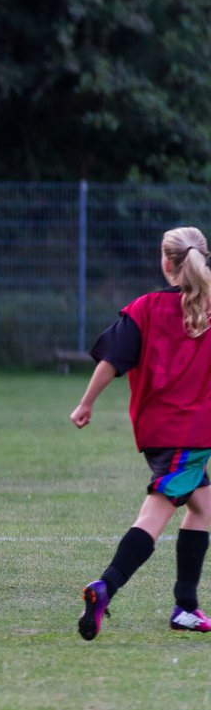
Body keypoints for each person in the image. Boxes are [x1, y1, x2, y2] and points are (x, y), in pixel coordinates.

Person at [72, 226, 211, 640]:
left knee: (202, 506)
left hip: (159, 430)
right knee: (157, 512)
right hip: (191, 434)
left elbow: (110, 361)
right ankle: (106, 586)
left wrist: (86, 403)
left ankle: (186, 606)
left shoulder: (144, 308)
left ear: (166, 263)